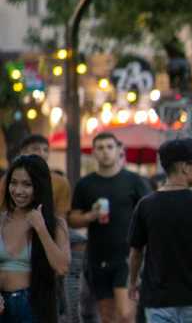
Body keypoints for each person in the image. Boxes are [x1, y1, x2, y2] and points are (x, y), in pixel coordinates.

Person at [126, 138, 192, 323]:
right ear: (185, 167)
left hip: (157, 299)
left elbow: (136, 251)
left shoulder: (145, 206)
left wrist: (132, 282)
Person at [69, 133, 151, 323]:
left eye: (109, 147)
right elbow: (72, 218)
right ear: (94, 153)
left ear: (118, 150)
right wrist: (90, 216)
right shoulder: (85, 184)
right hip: (98, 257)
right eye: (100, 148)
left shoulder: (134, 181)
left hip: (127, 256)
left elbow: (150, 212)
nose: (105, 152)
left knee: (125, 314)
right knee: (107, 317)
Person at [1, 154, 70, 323]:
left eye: (27, 184)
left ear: (39, 186)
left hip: (32, 306)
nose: (18, 190)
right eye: (13, 183)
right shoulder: (1, 219)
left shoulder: (55, 224)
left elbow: (62, 268)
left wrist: (41, 228)